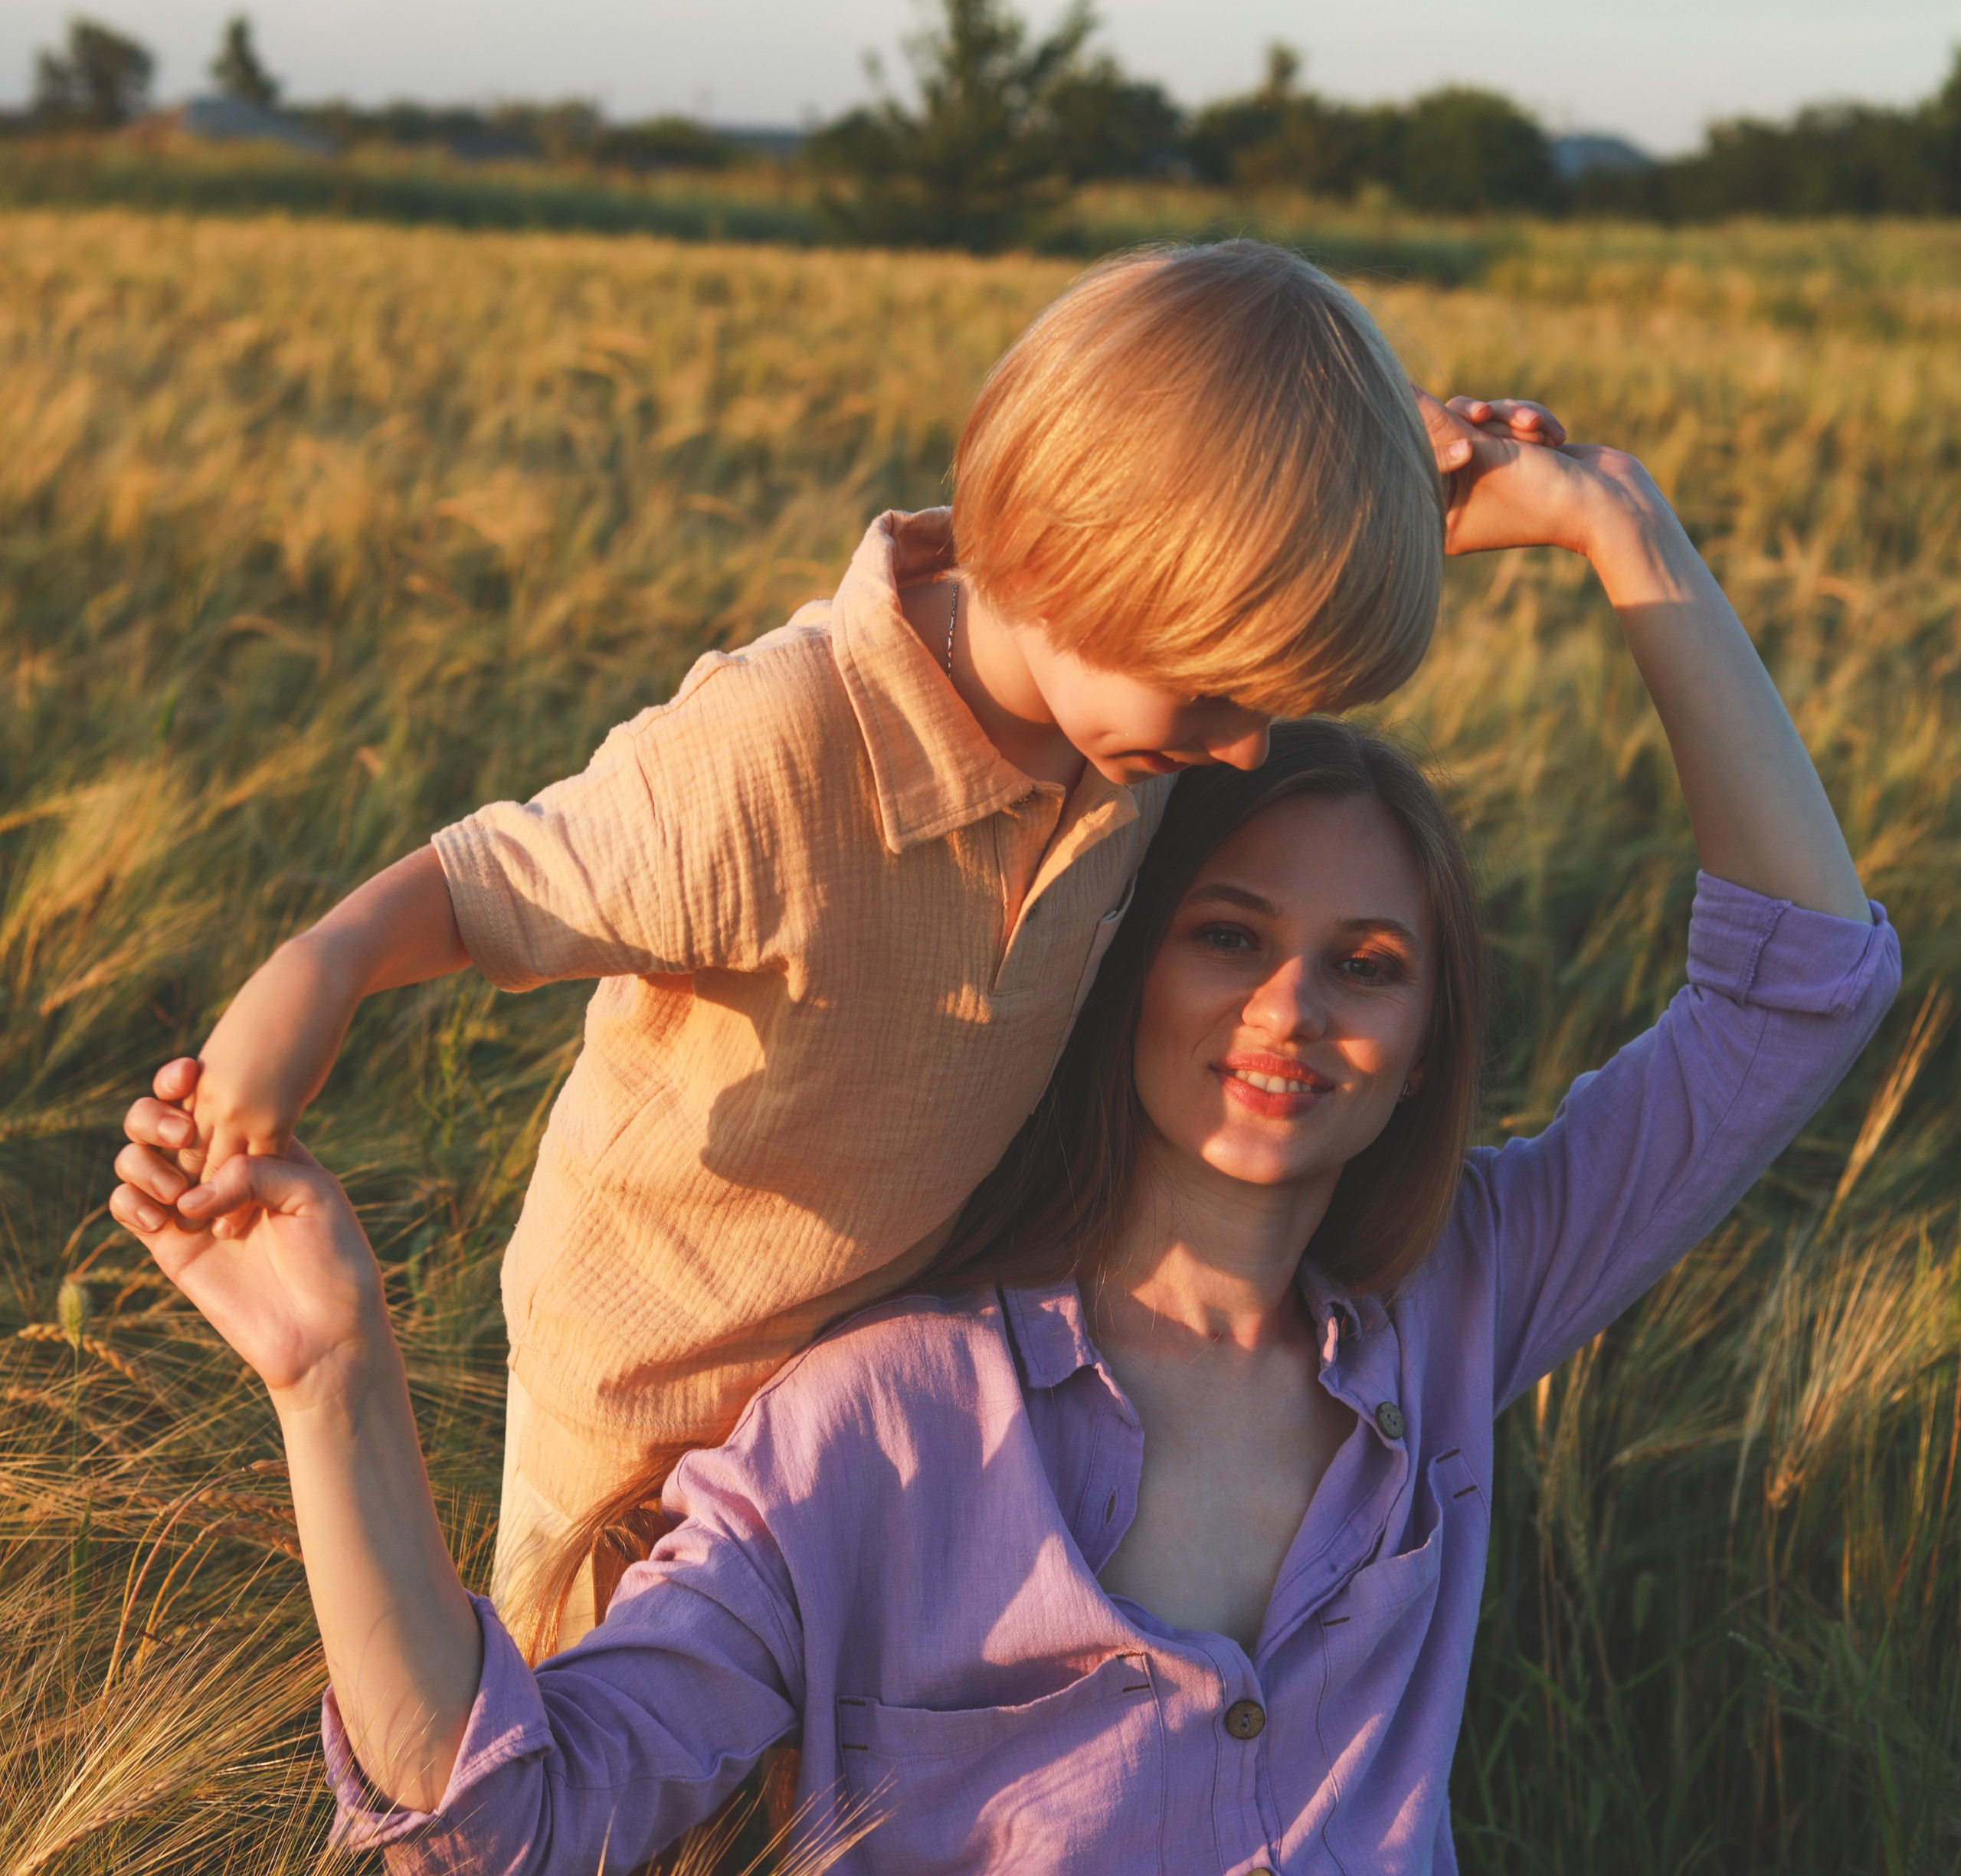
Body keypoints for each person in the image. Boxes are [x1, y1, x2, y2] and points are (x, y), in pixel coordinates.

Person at [111, 410, 1898, 1872]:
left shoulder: (1457, 1302)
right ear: (1115, 963)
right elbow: (516, 1819)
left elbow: (1795, 991)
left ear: (1429, 1031)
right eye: (1226, 933)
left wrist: (1621, 533)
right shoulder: (876, 1423)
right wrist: (334, 1377)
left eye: (1367, 964)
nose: (1289, 1009)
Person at [120, 241, 1557, 1646]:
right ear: (1082, 564)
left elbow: (1208, 503)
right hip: (649, 1397)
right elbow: (489, 876)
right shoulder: (782, 747)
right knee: (594, 1759)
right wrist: (310, 977)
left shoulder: (1128, 725)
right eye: (1214, 698)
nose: (1244, 752)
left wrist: (1382, 460)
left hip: (896, 1384)